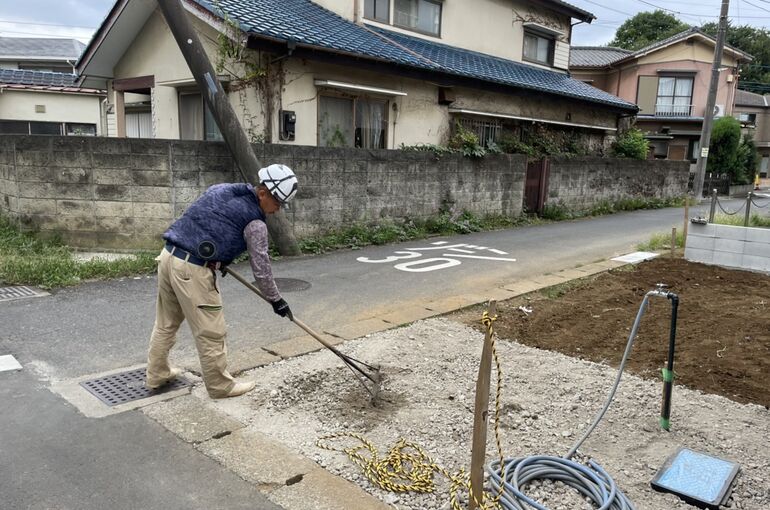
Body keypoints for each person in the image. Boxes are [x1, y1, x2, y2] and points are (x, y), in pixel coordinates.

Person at [145, 164, 298, 398]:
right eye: (277, 203)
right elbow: (262, 269)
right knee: (211, 331)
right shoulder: (256, 223)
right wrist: (276, 300)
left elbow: (208, 223)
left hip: (168, 256)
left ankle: (157, 374)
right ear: (263, 192)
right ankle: (220, 386)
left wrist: (219, 257)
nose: (277, 210)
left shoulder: (222, 189)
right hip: (192, 269)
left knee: (166, 323)